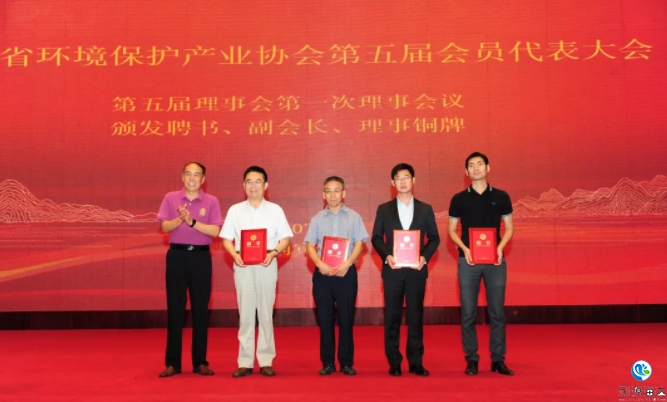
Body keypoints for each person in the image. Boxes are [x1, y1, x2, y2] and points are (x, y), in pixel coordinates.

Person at [220, 166, 293, 378]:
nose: (253, 186)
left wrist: (274, 253)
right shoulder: (235, 210)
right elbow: (226, 238)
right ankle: (244, 361)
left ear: (266, 185)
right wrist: (233, 255)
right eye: (249, 182)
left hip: (267, 263)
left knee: (265, 313)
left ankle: (266, 360)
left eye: (258, 181)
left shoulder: (275, 210)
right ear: (244, 185)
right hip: (242, 264)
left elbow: (286, 238)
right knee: (245, 314)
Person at [447, 152, 515, 376]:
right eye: (471, 165)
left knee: (497, 312)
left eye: (479, 164)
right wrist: (465, 248)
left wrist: (500, 247)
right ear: (466, 171)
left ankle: (498, 359)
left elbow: (509, 228)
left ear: (488, 168)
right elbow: (451, 230)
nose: (475, 168)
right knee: (468, 312)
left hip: (495, 261)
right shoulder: (458, 199)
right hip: (468, 261)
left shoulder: (501, 196)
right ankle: (472, 359)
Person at [371, 163, 440, 376]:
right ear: (392, 183)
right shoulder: (384, 209)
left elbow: (434, 239)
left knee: (415, 317)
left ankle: (416, 361)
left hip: (416, 271)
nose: (402, 181)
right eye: (398, 178)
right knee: (392, 317)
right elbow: (376, 238)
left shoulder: (425, 209)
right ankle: (394, 361)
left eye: (406, 177)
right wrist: (387, 256)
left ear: (413, 180)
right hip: (392, 271)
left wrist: (423, 257)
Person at [156, 162, 223, 378]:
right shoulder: (171, 198)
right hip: (176, 256)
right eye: (188, 174)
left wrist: (192, 221)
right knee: (175, 309)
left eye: (196, 175)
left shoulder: (211, 201)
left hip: (201, 257)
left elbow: (215, 231)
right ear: (182, 177)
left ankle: (200, 362)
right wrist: (180, 219)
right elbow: (164, 227)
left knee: (200, 310)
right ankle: (172, 363)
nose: (192, 178)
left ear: (203, 179)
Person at [304, 176, 369, 376]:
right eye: (328, 191)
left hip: (346, 274)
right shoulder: (317, 219)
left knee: (346, 319)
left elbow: (360, 243)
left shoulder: (354, 217)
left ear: (343, 193)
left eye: (336, 190)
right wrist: (319, 263)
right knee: (325, 320)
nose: (332, 195)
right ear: (324, 194)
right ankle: (328, 362)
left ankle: (346, 362)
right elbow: (309, 246)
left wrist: (347, 263)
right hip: (323, 275)